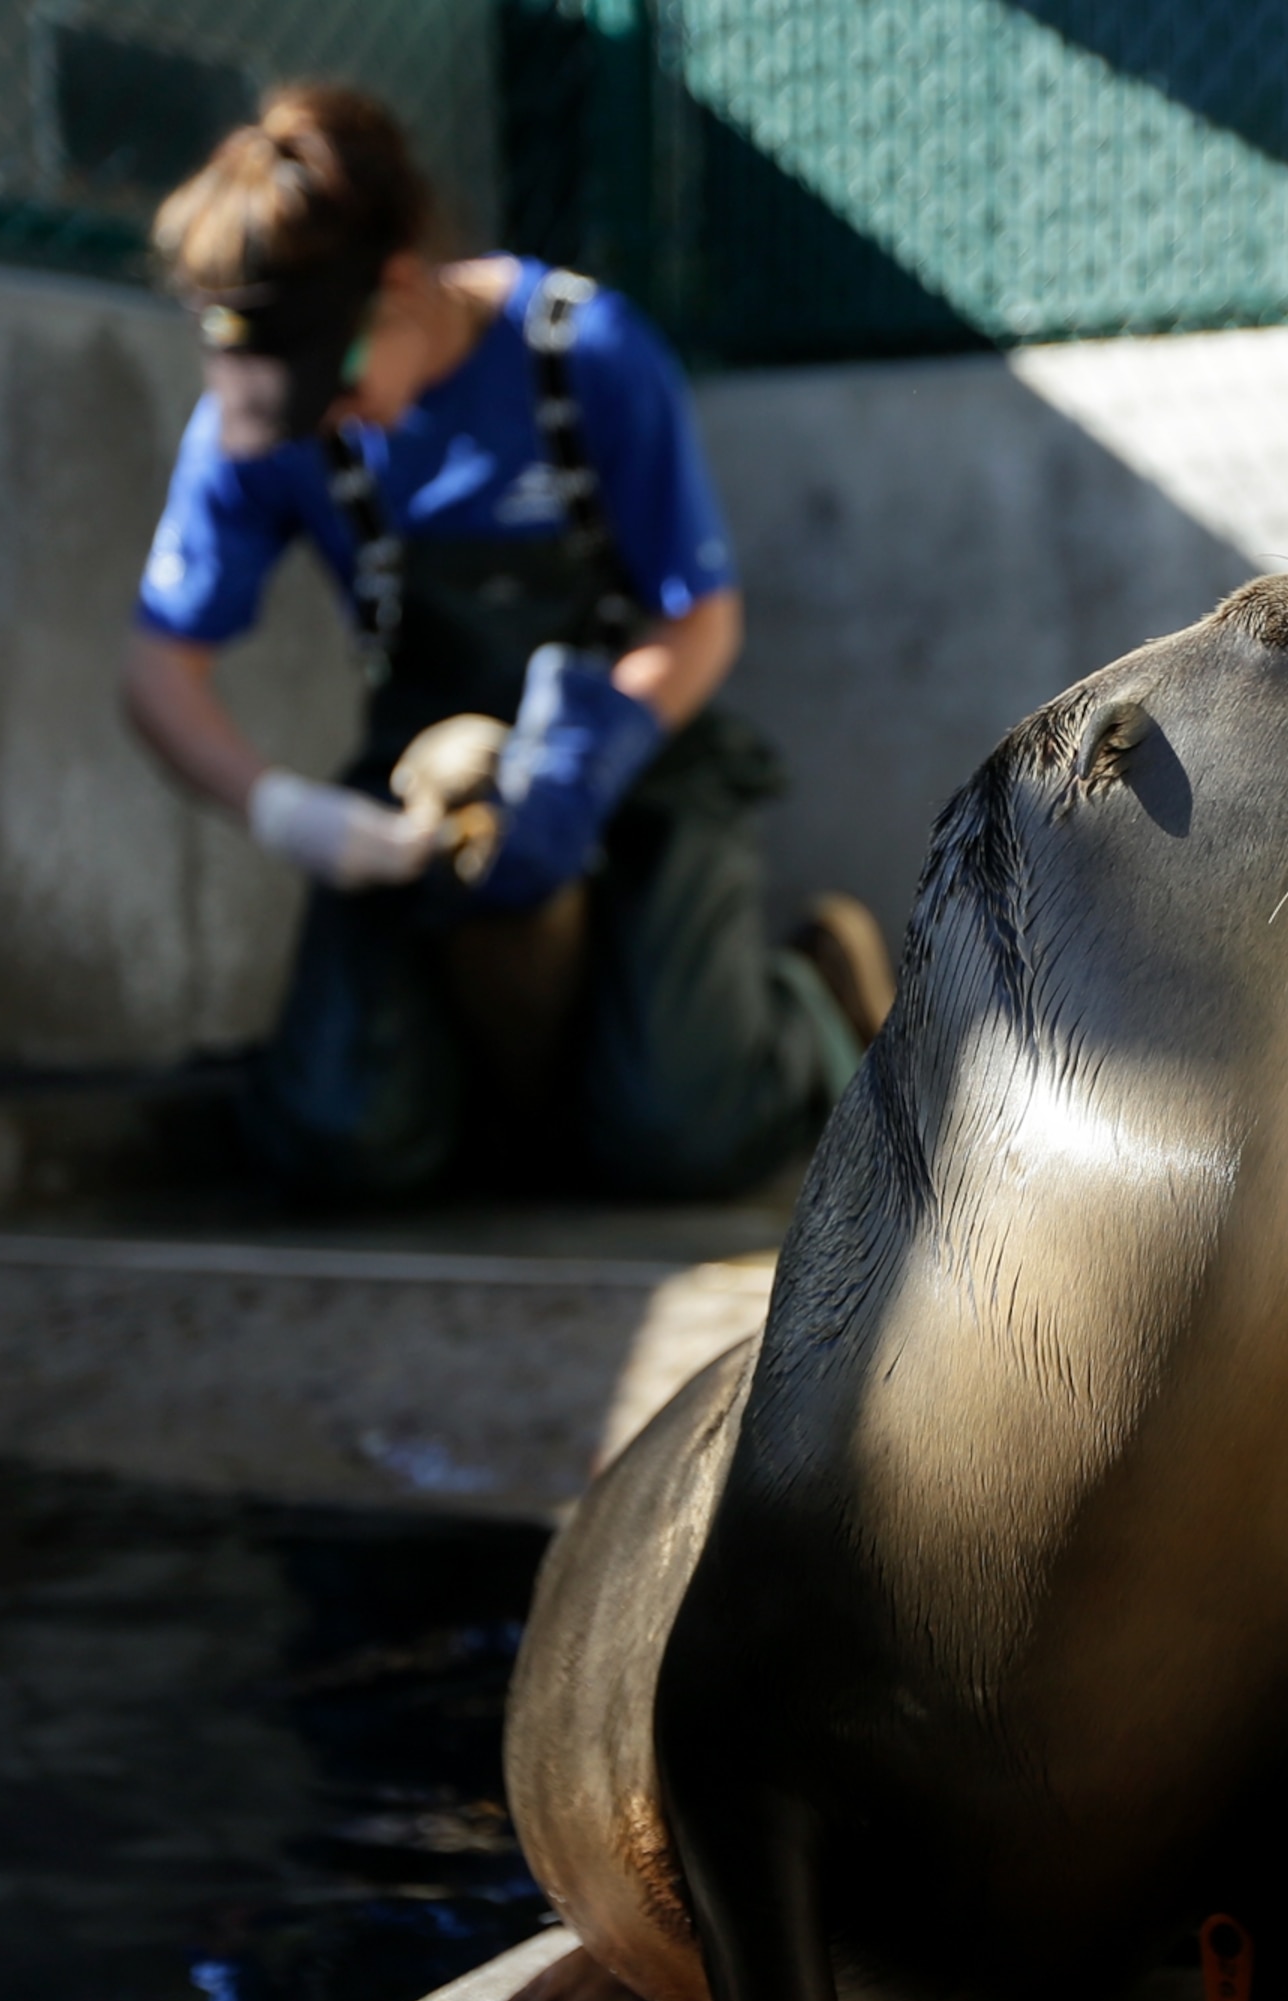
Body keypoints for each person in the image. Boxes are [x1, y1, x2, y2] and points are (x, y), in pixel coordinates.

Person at [122, 83, 887, 1202]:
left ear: (395, 286)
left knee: (682, 1140)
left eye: (329, 386)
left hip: (632, 769)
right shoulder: (277, 416)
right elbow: (157, 673)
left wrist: (590, 754)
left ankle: (809, 991)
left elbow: (699, 616)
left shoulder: (585, 356)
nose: (317, 424)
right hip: (420, 795)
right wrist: (289, 813)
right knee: (340, 1144)